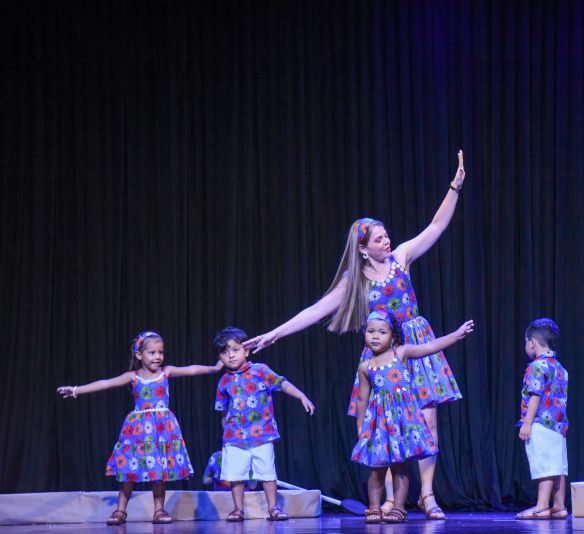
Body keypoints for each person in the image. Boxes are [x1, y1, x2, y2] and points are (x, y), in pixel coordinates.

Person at [245, 150, 467, 518]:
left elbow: (436, 226)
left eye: (386, 236)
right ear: (363, 249)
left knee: (427, 419)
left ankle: (427, 495)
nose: (387, 241)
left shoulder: (402, 259)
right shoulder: (356, 280)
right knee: (390, 424)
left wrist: (455, 187)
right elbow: (316, 310)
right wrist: (274, 334)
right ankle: (394, 502)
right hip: (382, 356)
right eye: (379, 239)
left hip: (414, 343)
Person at [56, 330, 223, 525]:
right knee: (129, 470)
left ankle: (159, 510)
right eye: (152, 353)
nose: (157, 357)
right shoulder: (133, 376)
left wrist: (215, 367)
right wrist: (76, 390)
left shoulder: (165, 372)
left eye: (160, 352)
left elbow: (192, 369)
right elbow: (105, 383)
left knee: (159, 471)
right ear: (139, 355)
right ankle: (120, 511)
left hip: (162, 428)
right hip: (138, 430)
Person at [352, 310, 474, 523]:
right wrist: (361, 428)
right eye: (371, 331)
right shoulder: (365, 367)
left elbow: (430, 347)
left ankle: (399, 508)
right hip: (379, 426)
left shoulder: (402, 353)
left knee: (400, 467)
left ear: (393, 336)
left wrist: (456, 335)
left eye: (382, 332)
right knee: (376, 469)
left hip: (401, 423)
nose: (375, 336)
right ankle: (374, 508)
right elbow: (361, 400)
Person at [214, 326, 315, 521]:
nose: (231, 356)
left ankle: (273, 508)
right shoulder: (223, 382)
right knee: (236, 475)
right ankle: (238, 509)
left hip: (262, 434)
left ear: (246, 350)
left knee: (267, 473)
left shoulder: (260, 370)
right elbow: (223, 411)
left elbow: (281, 383)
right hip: (234, 437)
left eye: (235, 350)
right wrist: (225, 433)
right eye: (225, 353)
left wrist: (301, 396)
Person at [515, 318, 569, 520]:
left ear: (532, 342)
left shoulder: (536, 366)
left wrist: (527, 423)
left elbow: (535, 395)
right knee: (557, 465)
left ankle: (541, 506)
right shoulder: (561, 368)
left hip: (541, 423)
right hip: (558, 426)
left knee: (546, 464)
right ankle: (559, 506)